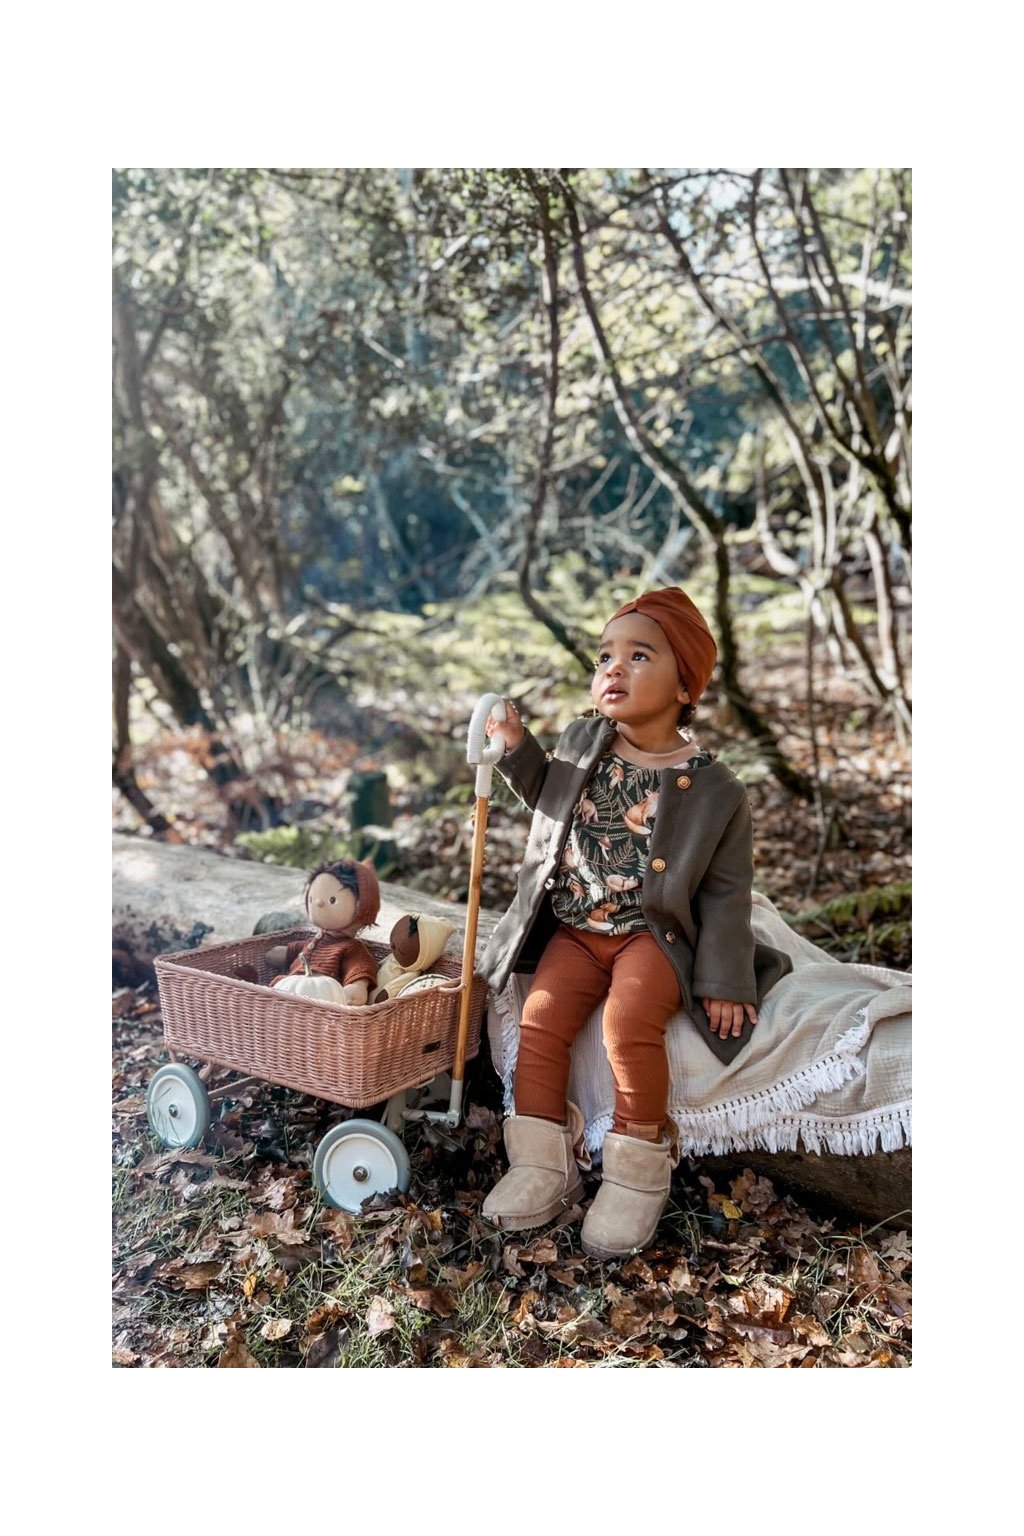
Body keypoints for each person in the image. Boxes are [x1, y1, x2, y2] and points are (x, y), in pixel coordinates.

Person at [477, 587, 792, 1259]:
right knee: (540, 1018)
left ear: (685, 684)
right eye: (605, 656)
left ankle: (634, 1170)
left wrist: (726, 979)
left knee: (627, 1023)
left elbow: (727, 894)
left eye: (639, 655)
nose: (613, 668)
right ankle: (539, 1162)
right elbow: (546, 794)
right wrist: (516, 748)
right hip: (575, 929)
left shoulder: (716, 789)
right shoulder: (584, 742)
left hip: (652, 936)